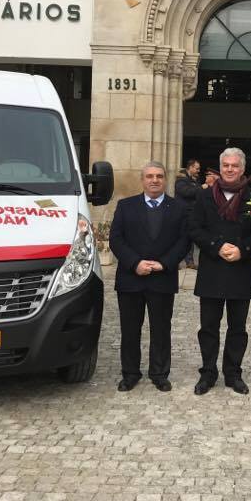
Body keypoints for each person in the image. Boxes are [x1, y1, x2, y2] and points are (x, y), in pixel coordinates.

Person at [189, 147, 251, 395]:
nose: (230, 169)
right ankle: (208, 373)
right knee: (208, 327)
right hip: (212, 268)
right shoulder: (204, 196)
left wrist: (243, 250)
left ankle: (233, 374)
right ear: (220, 167)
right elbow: (195, 228)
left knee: (238, 328)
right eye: (226, 165)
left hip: (240, 269)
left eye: (235, 165)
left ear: (243, 168)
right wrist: (216, 246)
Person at [109, 161, 190, 392]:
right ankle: (130, 374)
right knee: (130, 329)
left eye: (159, 176)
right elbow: (116, 239)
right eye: (150, 176)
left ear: (165, 180)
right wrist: (135, 263)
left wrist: (163, 264)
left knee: (161, 329)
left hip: (162, 278)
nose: (154, 180)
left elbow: (184, 241)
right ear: (142, 180)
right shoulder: (126, 206)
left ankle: (159, 373)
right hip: (131, 278)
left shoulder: (178, 208)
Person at [175, 158, 205, 269]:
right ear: (191, 167)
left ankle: (190, 262)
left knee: (190, 237)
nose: (198, 170)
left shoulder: (194, 179)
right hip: (182, 213)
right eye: (197, 168)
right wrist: (201, 188)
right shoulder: (181, 179)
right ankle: (175, 261)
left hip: (191, 213)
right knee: (179, 237)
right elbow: (186, 192)